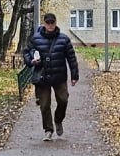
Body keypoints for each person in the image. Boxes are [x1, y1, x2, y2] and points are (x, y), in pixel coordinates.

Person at [24, 12, 79, 141]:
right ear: (44, 23)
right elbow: (27, 52)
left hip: (59, 77)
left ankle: (58, 119)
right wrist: (31, 60)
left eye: (52, 23)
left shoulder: (64, 39)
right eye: (47, 23)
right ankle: (48, 130)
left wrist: (74, 75)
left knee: (63, 100)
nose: (50, 25)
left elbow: (71, 58)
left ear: (55, 23)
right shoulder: (36, 39)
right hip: (43, 77)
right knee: (44, 105)